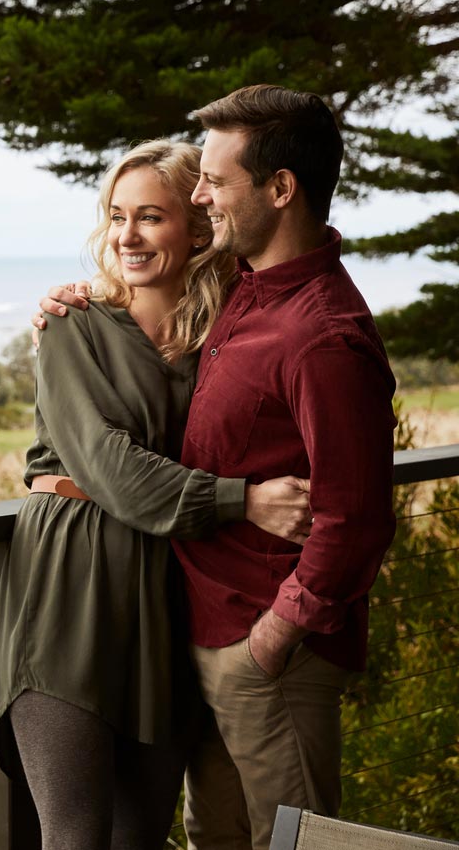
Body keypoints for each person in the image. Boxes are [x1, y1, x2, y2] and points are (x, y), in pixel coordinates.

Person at [34, 85, 397, 850]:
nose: (202, 197)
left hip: (265, 647)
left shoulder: (320, 334)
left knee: (293, 841)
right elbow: (148, 313)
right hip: (197, 634)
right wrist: (73, 302)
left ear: (280, 188)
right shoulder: (242, 296)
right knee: (215, 836)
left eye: (215, 182)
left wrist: (273, 638)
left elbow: (355, 517)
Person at [0, 138, 313, 850]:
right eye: (116, 216)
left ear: (197, 226)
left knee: (143, 834)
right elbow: (106, 465)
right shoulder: (74, 327)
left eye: (150, 217)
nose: (126, 236)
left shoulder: (224, 333)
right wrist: (244, 501)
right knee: (75, 835)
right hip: (70, 586)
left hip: (168, 594)